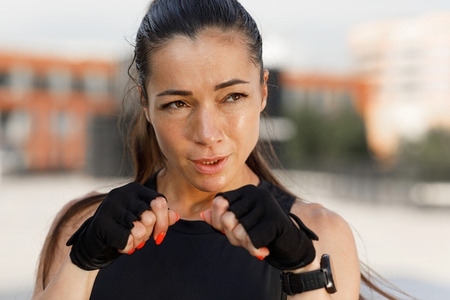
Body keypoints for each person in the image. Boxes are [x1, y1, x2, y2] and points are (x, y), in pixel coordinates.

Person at [32, 0, 410, 299]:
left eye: (232, 96)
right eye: (178, 104)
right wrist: (82, 263)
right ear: (144, 103)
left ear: (263, 91)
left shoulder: (319, 233)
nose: (207, 133)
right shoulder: (82, 226)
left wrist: (299, 267)